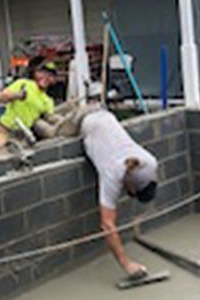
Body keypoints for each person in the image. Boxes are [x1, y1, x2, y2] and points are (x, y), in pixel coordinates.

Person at [50, 104, 158, 279]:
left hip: (101, 112)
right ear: (131, 185)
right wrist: (127, 264)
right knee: (50, 130)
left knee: (55, 115)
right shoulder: (113, 174)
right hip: (80, 121)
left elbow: (136, 178)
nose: (126, 192)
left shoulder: (150, 162)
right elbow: (107, 225)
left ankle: (55, 111)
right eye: (130, 192)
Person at [0, 60, 57, 149]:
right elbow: (0, 98)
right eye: (43, 73)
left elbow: (49, 117)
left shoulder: (48, 101)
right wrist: (18, 95)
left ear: (54, 80)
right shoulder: (24, 84)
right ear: (36, 73)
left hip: (24, 135)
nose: (46, 77)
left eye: (50, 75)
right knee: (0, 151)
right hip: (7, 129)